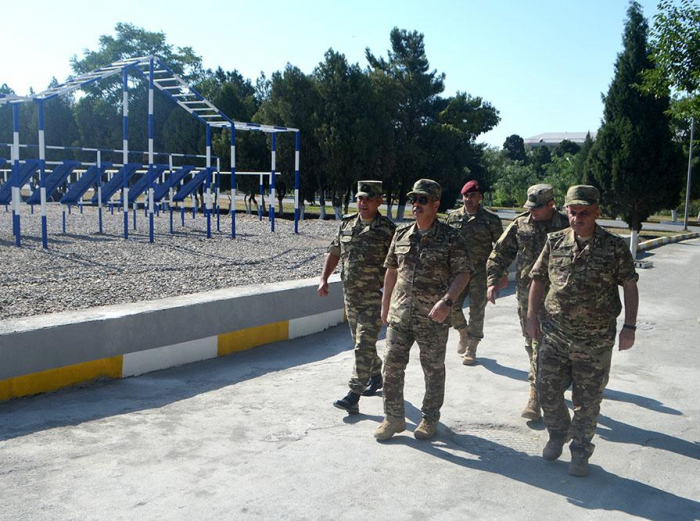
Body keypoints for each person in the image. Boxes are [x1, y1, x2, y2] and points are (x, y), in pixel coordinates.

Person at [526, 185, 639, 477]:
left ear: (597, 213)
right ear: (565, 211)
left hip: (595, 338)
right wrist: (531, 318)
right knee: (546, 390)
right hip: (555, 333)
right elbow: (538, 279)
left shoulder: (614, 247)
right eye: (572, 212)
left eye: (584, 213)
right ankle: (557, 432)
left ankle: (580, 451)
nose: (577, 218)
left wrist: (629, 326)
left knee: (587, 400)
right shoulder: (554, 242)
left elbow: (629, 284)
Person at [375, 179, 473, 441]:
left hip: (433, 317)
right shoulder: (401, 234)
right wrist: (385, 306)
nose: (416, 205)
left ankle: (429, 419)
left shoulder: (451, 237)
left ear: (436, 204)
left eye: (422, 200)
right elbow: (391, 271)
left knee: (433, 369)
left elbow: (463, 273)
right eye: (413, 199)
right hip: (400, 314)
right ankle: (393, 418)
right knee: (392, 368)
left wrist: (447, 301)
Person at [486, 184, 569, 420]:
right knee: (533, 342)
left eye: (537, 208)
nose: (532, 212)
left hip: (560, 298)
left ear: (551, 204)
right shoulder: (521, 224)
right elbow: (500, 253)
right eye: (529, 207)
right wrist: (493, 279)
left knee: (556, 347)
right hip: (527, 295)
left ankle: (551, 388)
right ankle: (536, 394)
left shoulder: (566, 225)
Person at [318, 180, 396, 415]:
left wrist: (390, 297)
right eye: (360, 198)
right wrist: (324, 279)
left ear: (379, 201)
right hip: (350, 297)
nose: (363, 203)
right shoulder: (347, 224)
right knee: (361, 343)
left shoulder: (388, 230)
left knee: (363, 344)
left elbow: (397, 266)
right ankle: (375, 374)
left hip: (375, 297)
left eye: (369, 199)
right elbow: (334, 252)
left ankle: (353, 395)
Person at [446, 180, 504, 365]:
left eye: (472, 196)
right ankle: (463, 331)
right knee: (452, 306)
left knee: (477, 311)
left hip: (481, 271)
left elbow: (501, 248)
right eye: (465, 195)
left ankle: (472, 348)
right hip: (458, 272)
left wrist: (499, 273)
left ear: (480, 197)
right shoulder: (453, 218)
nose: (468, 199)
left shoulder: (491, 220)